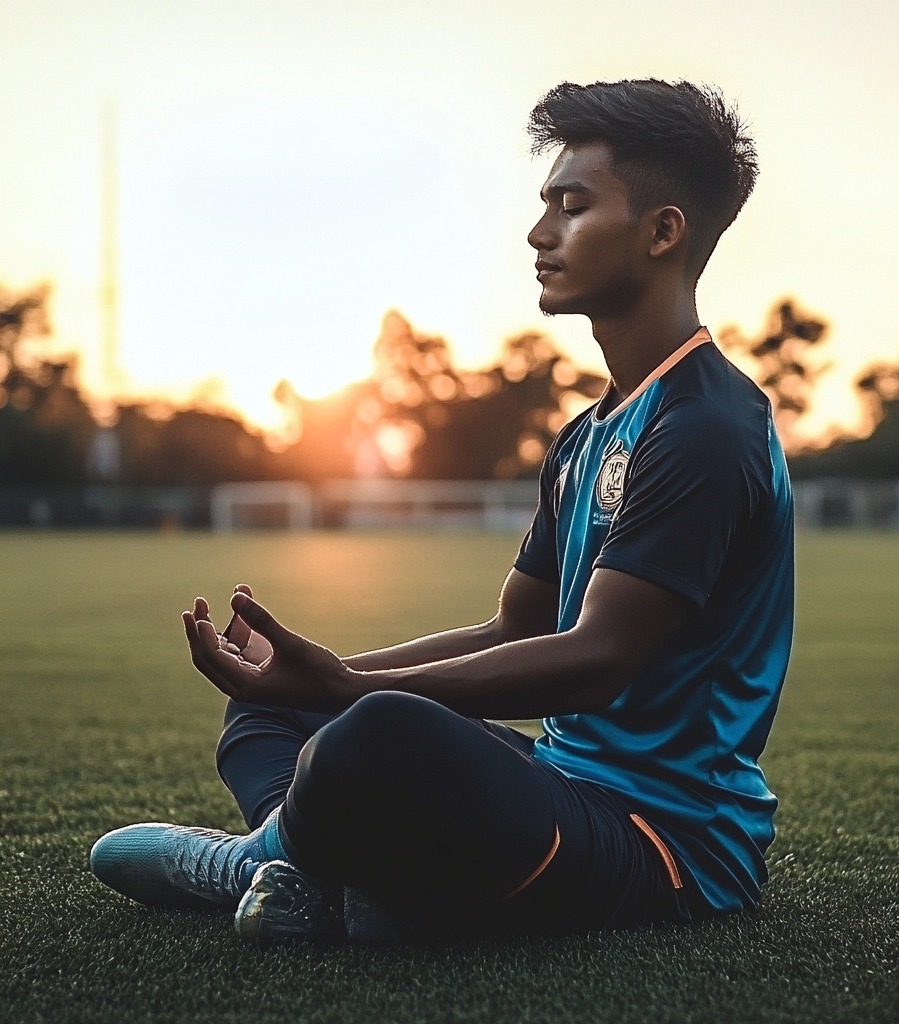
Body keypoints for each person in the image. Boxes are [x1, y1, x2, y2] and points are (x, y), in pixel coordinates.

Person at [90, 78, 794, 947]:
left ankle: (267, 858)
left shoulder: (708, 427)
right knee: (274, 706)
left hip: (666, 838)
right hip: (562, 781)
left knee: (376, 726)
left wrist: (352, 692)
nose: (539, 233)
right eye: (544, 206)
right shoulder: (590, 432)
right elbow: (512, 628)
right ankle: (346, 877)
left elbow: (596, 661)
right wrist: (322, 679)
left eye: (571, 207)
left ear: (662, 232)